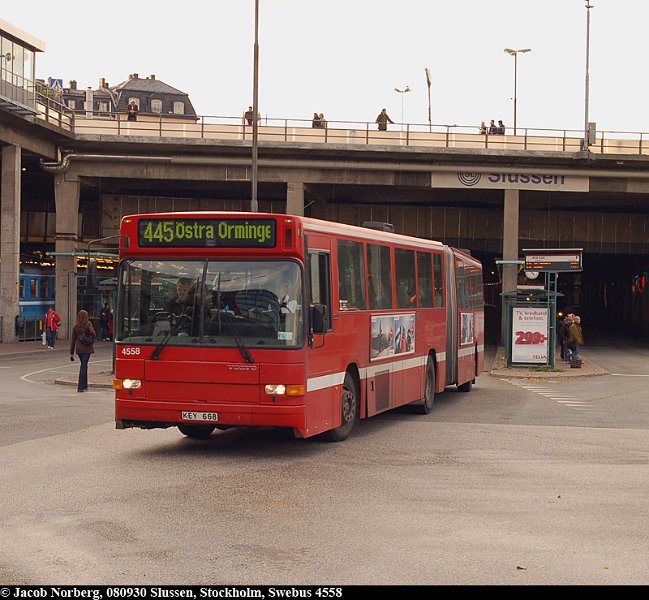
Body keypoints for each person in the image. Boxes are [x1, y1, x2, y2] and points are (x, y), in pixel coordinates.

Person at [69, 309, 96, 392]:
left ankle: (84, 386)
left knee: (84, 365)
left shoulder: (75, 326)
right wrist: (91, 338)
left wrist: (71, 353)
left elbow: (73, 340)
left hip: (79, 349)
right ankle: (81, 386)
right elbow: (93, 333)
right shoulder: (88, 324)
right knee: (83, 366)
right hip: (87, 348)